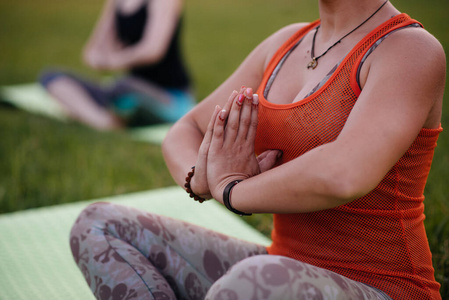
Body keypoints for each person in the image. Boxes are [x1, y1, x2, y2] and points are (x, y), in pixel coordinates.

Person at [69, 0, 445, 298]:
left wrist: (233, 189)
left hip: (380, 287)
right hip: (274, 271)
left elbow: (343, 174)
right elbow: (186, 129)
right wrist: (201, 179)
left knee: (251, 282)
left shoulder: (410, 50)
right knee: (98, 224)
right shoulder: (285, 44)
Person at [39, 0, 194, 130]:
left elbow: (153, 51)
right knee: (53, 78)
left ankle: (100, 116)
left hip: (170, 97)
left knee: (122, 87)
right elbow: (91, 52)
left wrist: (113, 60)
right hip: (126, 92)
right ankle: (103, 122)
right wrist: (108, 59)